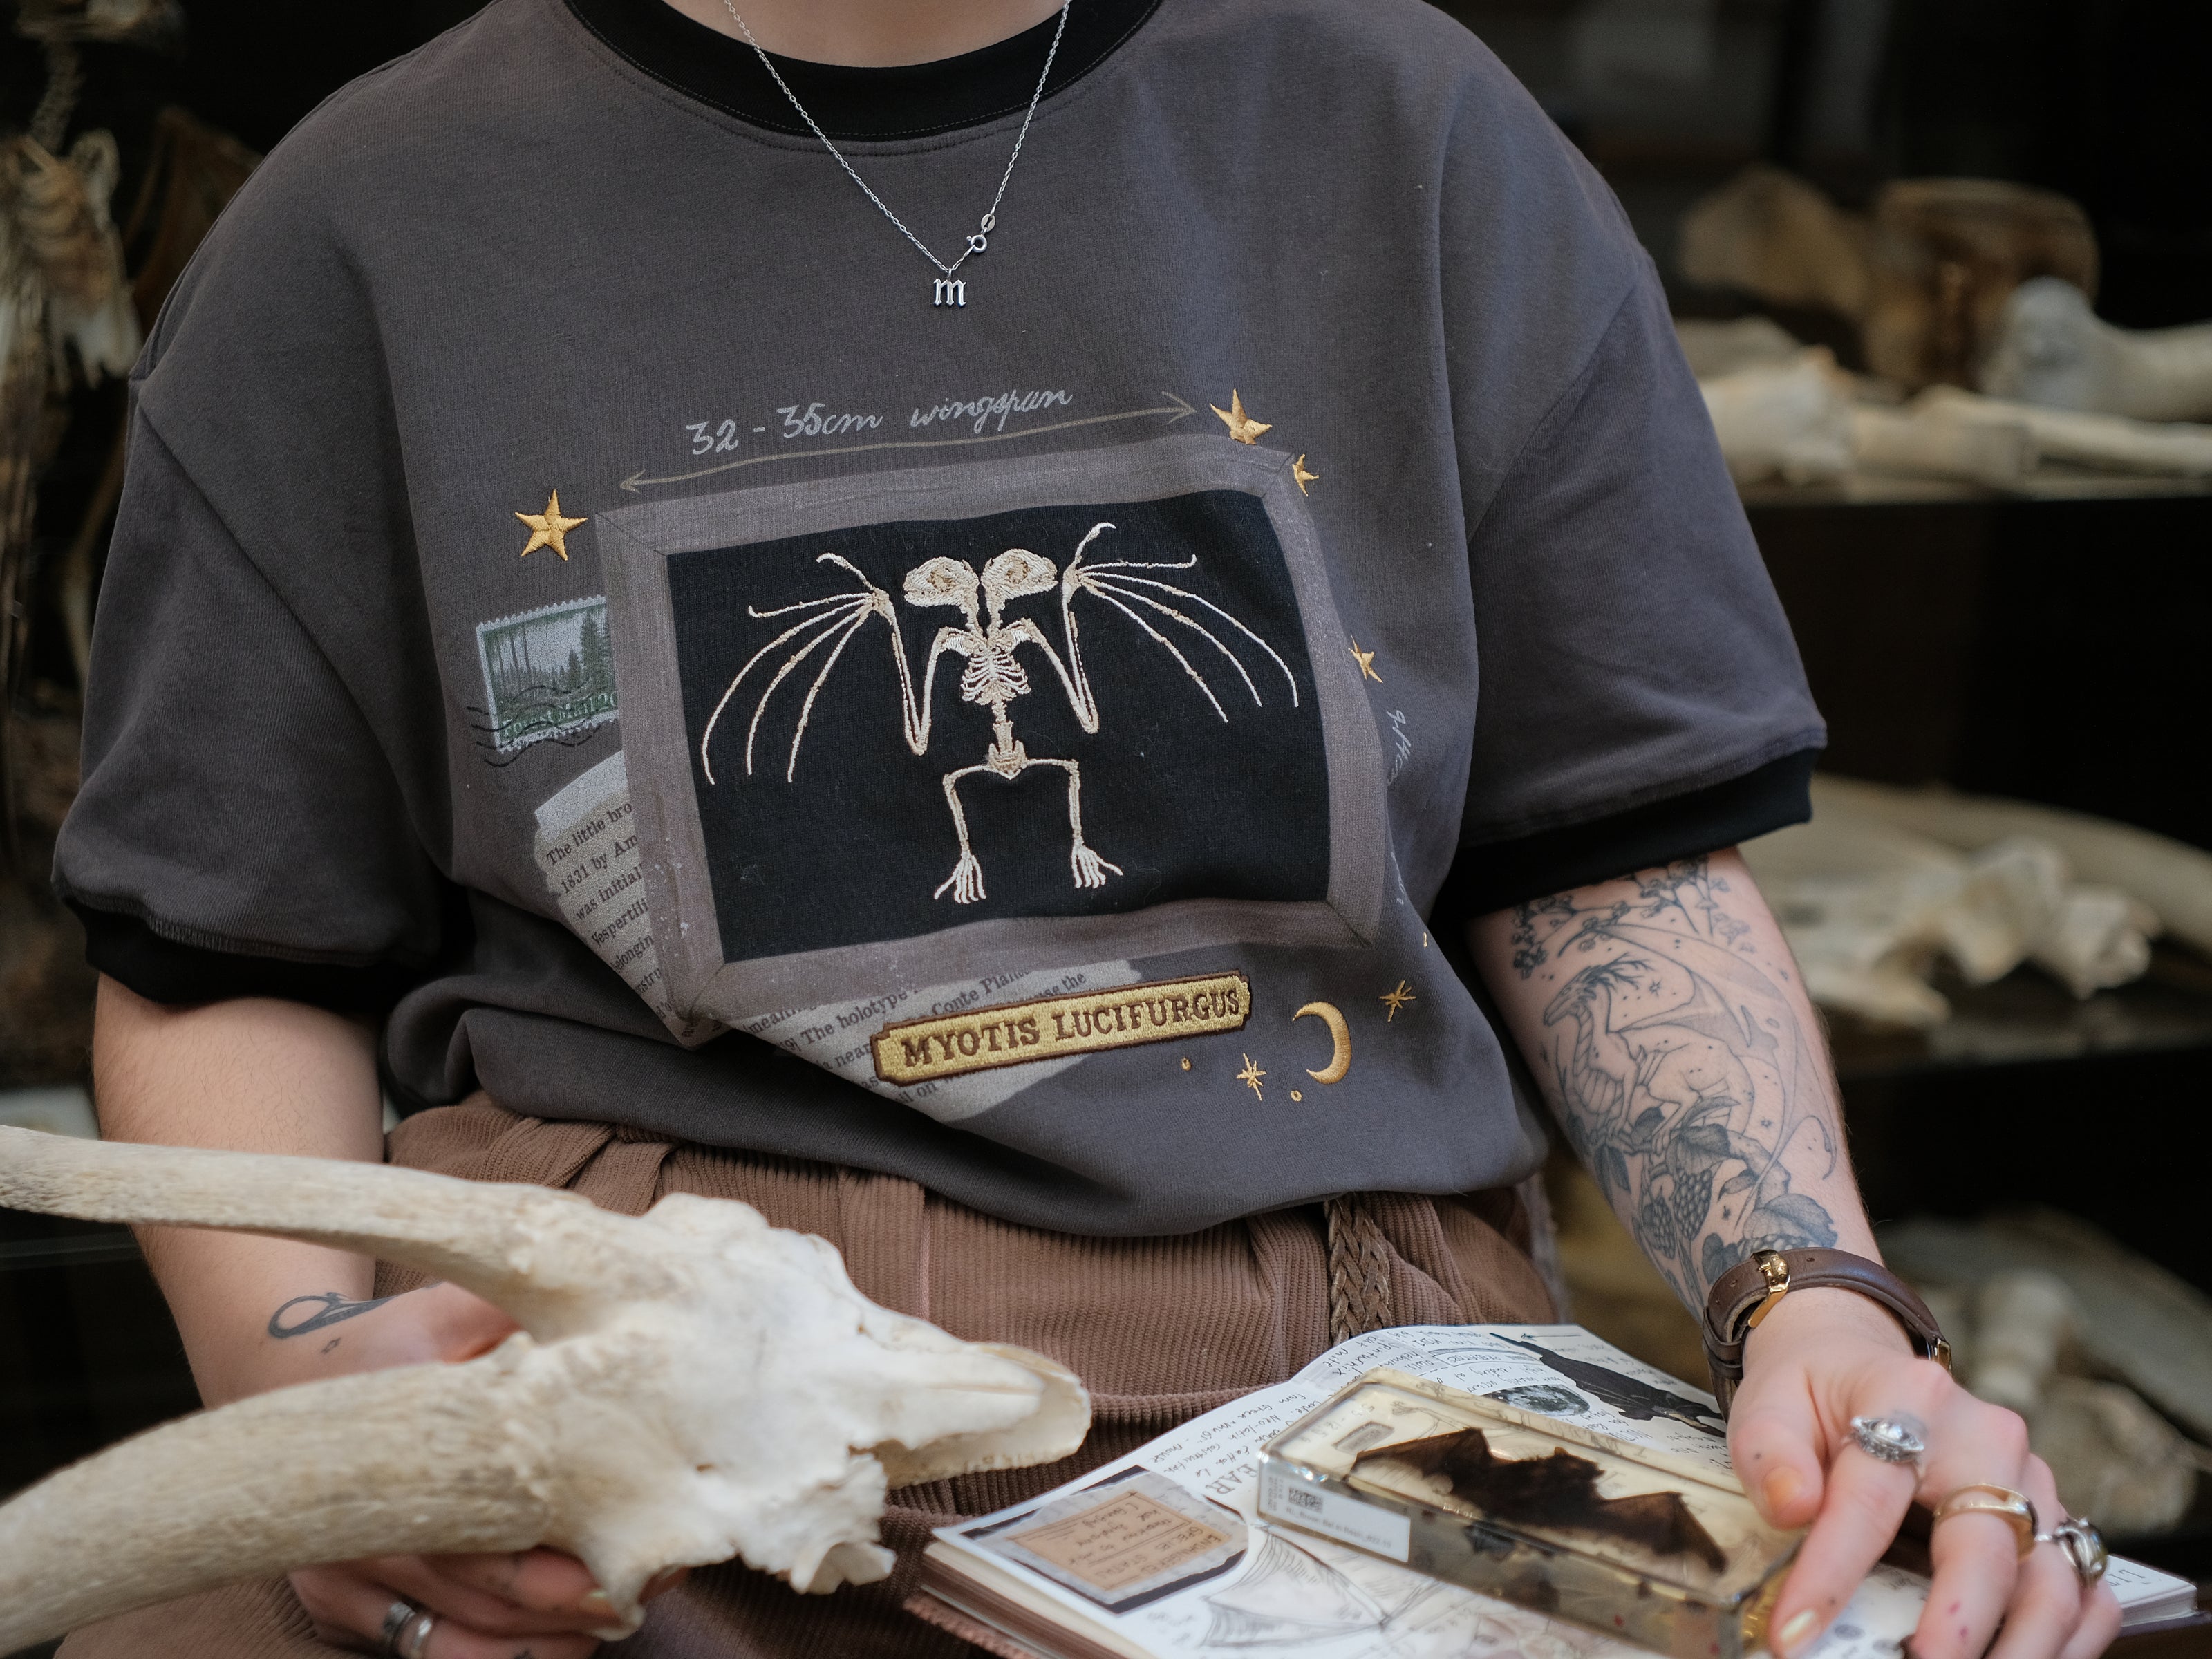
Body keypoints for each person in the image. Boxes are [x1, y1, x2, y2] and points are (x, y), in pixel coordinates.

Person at [50, 0, 2118, 1656]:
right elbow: (227, 956)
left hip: (1375, 1407)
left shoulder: (1415, 128)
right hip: (638, 1411)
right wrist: (313, 1387)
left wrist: (1813, 1304)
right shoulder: (372, 218)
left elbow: (1615, 847)